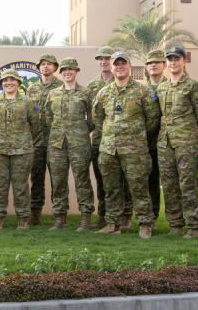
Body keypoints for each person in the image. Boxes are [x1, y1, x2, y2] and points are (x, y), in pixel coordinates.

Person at [92, 51, 160, 239]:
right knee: (111, 188)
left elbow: (153, 119)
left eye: (123, 63)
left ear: (130, 66)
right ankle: (113, 223)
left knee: (139, 188)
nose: (119, 67)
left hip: (135, 150)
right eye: (116, 64)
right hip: (108, 150)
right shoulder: (104, 93)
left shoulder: (142, 91)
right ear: (112, 68)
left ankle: (145, 224)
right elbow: (97, 119)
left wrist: (135, 136)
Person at [156, 46, 198, 239]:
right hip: (165, 142)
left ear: (184, 61)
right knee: (169, 184)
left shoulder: (194, 87)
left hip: (187, 142)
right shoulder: (162, 88)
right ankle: (175, 223)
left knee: (188, 184)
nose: (173, 62)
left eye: (176, 59)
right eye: (169, 59)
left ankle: (194, 226)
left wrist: (196, 139)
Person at [0, 69, 40, 229]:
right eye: (5, 80)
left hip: (22, 151)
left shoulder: (28, 103)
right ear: (1, 83)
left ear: (18, 83)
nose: (9, 83)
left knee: (20, 185)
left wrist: (23, 139)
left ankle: (23, 218)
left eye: (12, 80)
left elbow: (35, 125)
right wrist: (0, 138)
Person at [45, 58, 95, 231]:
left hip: (79, 143)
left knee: (82, 180)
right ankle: (60, 218)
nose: (67, 72)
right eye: (64, 69)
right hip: (57, 143)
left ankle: (86, 218)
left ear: (76, 71)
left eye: (71, 69)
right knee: (58, 181)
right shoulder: (53, 93)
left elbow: (93, 118)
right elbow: (48, 117)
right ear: (61, 72)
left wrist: (79, 130)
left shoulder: (86, 93)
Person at [86, 46, 132, 228]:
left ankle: (126, 216)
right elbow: (93, 115)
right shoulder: (92, 86)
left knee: (126, 181)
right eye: (101, 59)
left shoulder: (125, 82)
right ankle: (104, 216)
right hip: (100, 141)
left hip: (125, 142)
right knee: (104, 181)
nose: (104, 62)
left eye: (107, 58)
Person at [25, 54, 62, 225]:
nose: (45, 67)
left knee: (58, 178)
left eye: (49, 64)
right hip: (37, 141)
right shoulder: (31, 89)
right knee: (36, 178)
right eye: (43, 64)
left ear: (55, 67)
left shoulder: (62, 87)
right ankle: (35, 214)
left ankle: (59, 215)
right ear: (39, 67)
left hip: (56, 140)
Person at [145, 49, 166, 221]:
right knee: (150, 180)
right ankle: (152, 215)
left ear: (163, 65)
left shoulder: (172, 84)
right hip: (147, 142)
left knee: (172, 182)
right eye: (150, 63)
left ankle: (179, 220)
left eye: (157, 62)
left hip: (169, 140)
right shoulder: (141, 89)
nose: (153, 65)